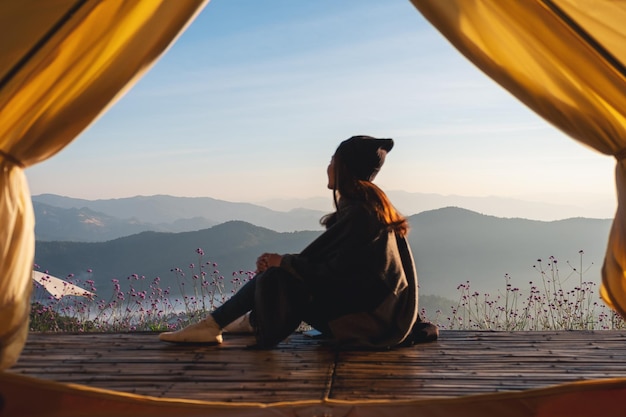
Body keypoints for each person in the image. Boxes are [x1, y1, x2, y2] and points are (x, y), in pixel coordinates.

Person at [159, 135, 438, 348]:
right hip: (379, 317)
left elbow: (332, 274)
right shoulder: (369, 206)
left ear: (344, 167)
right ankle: (235, 323)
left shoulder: (361, 213)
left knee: (275, 276)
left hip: (370, 324)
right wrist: (284, 262)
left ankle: (215, 325)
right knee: (278, 272)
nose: (327, 166)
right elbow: (338, 268)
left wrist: (283, 263)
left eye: (332, 160)